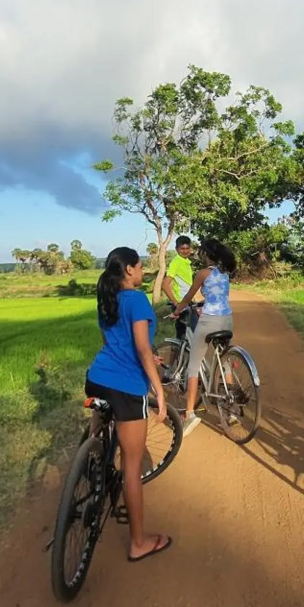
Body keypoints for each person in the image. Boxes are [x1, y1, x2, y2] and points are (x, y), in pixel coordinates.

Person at [86, 247, 172, 562]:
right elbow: (139, 346)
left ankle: (92, 467)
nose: (143, 270)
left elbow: (116, 343)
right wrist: (158, 390)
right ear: (130, 271)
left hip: (97, 376)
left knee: (102, 432)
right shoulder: (136, 300)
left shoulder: (107, 297)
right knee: (132, 467)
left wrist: (150, 356)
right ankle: (138, 543)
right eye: (139, 266)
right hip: (126, 388)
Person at [169, 237, 236, 434]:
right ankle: (231, 410)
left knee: (193, 366)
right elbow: (217, 295)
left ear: (206, 254)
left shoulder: (202, 274)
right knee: (225, 361)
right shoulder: (225, 273)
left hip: (209, 320)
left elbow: (187, 298)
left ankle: (189, 413)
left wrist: (177, 311)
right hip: (227, 319)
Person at [161, 235, 197, 341]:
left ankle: (181, 356)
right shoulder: (176, 263)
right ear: (177, 249)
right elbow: (165, 285)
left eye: (187, 248)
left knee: (188, 336)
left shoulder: (186, 262)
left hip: (187, 302)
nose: (185, 251)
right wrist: (176, 303)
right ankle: (179, 357)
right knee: (184, 337)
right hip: (182, 304)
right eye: (182, 249)